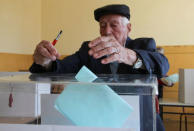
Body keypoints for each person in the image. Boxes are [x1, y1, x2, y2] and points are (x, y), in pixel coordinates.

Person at [29, 4, 169, 131]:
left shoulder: (143, 45)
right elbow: (62, 67)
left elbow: (163, 65)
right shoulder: (89, 50)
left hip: (140, 122)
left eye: (114, 25)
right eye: (102, 25)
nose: (107, 31)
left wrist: (128, 56)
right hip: (100, 122)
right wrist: (45, 61)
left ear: (128, 28)